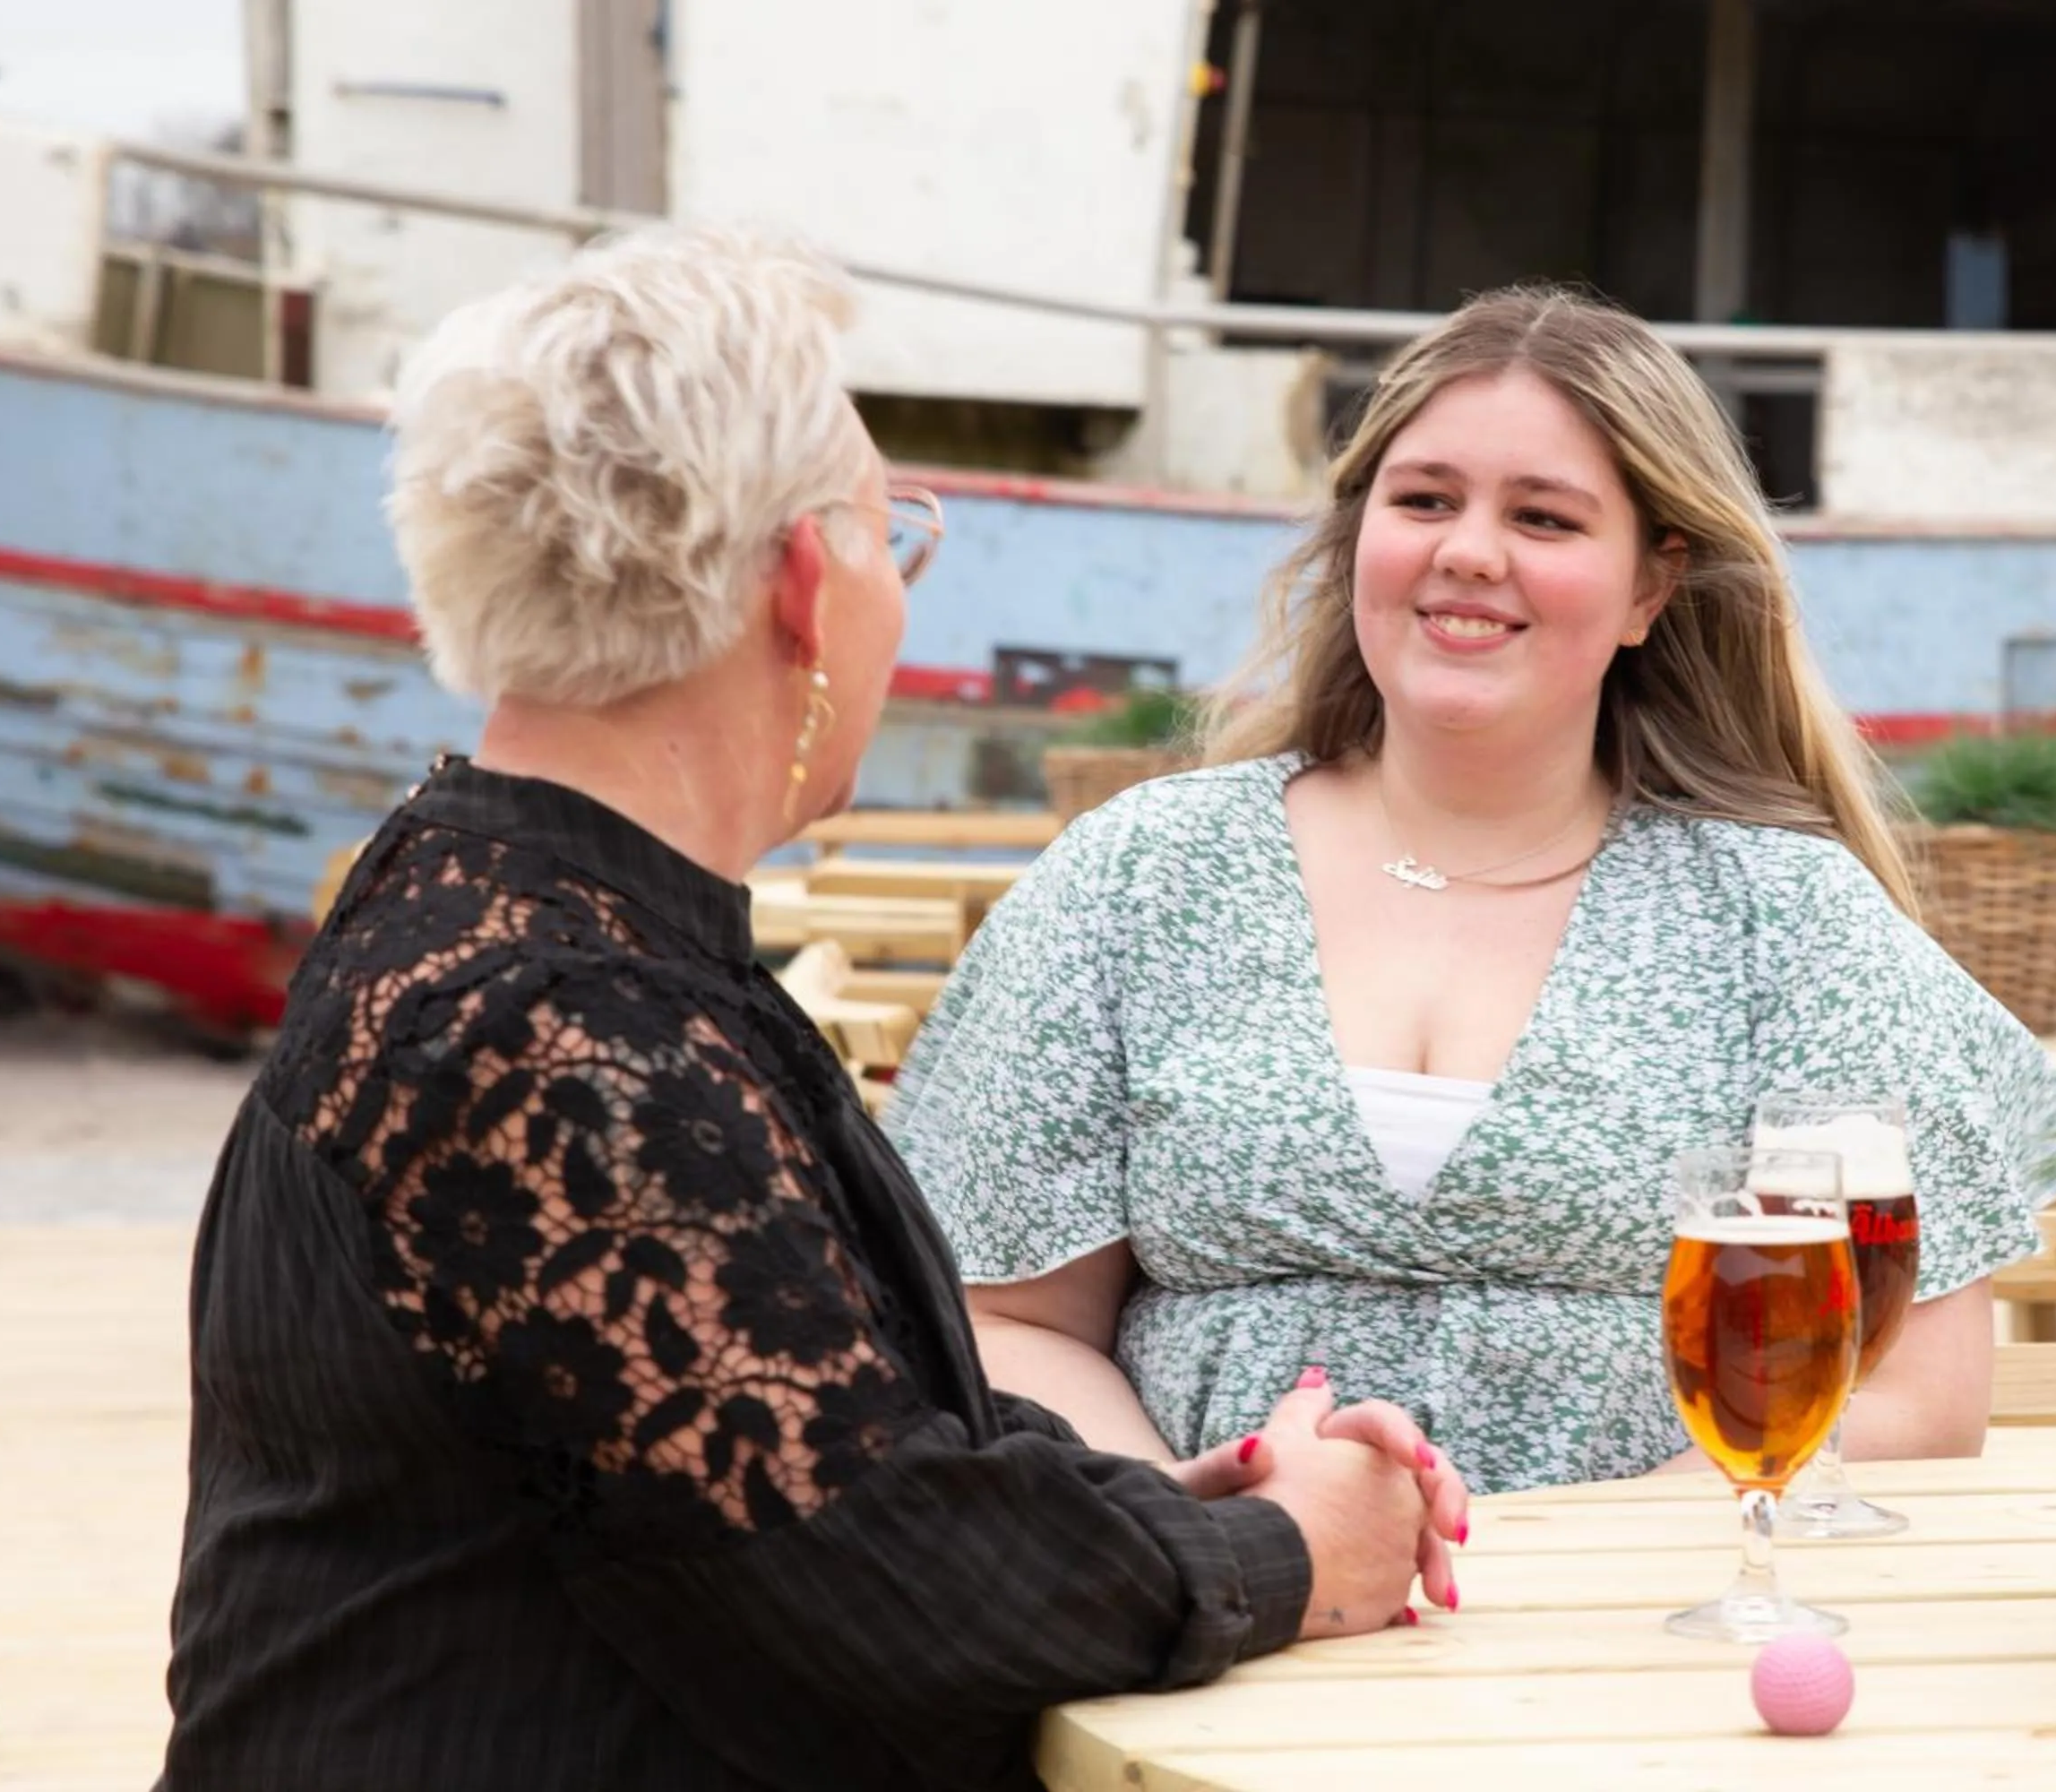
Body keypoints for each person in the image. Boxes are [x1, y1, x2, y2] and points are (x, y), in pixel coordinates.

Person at [156, 221, 1465, 1792]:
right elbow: (895, 1599)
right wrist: (1284, 1555)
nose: (898, 600)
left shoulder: (516, 922)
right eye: (888, 535)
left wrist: (1162, 1523)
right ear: (799, 581)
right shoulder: (549, 1034)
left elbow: (809, 1462)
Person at [887, 285, 2056, 1497]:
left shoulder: (1788, 921)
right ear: (1360, 539)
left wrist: (1571, 1567)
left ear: (1649, 590)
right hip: (1210, 1631)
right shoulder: (1138, 876)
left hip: (1644, 1638)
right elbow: (1009, 1322)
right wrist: (1192, 1536)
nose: (1469, 549)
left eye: (1547, 519)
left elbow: (1913, 1395)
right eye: (1423, 501)